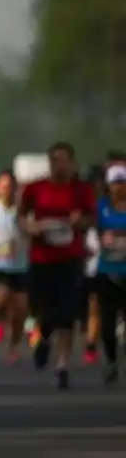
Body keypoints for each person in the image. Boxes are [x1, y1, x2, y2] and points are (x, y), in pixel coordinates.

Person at [20, 142, 97, 389]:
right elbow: (21, 216)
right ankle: (43, 337)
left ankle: (62, 365)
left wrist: (80, 221)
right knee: (45, 311)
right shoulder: (36, 188)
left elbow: (92, 218)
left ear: (72, 163)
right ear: (50, 163)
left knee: (67, 313)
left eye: (65, 160)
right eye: (56, 160)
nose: (60, 165)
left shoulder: (81, 191)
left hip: (70, 258)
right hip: (42, 258)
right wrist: (29, 227)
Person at [0, 171, 30, 362]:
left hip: (21, 265)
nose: (7, 191)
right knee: (1, 299)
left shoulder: (22, 211)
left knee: (20, 308)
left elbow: (30, 232)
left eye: (11, 187)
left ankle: (13, 344)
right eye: (4, 187)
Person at [93, 162, 125, 385]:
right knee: (108, 322)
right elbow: (90, 229)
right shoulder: (100, 207)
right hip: (107, 271)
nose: (119, 187)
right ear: (109, 185)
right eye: (115, 182)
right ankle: (112, 360)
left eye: (123, 182)